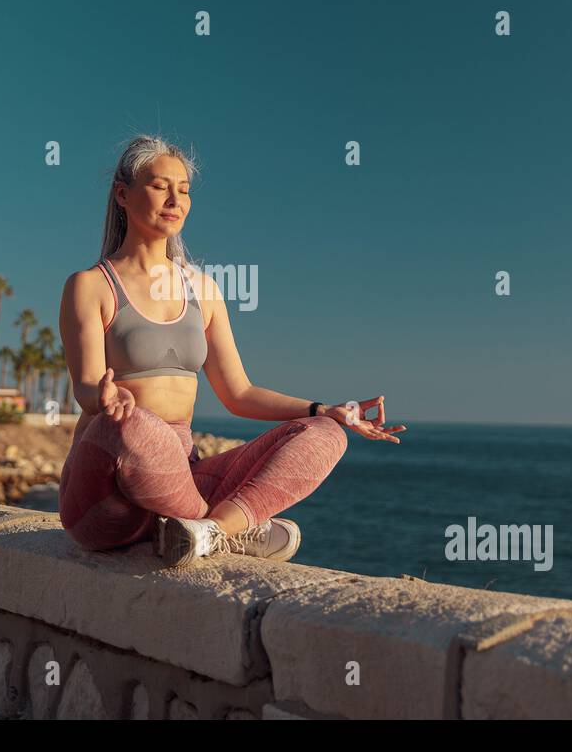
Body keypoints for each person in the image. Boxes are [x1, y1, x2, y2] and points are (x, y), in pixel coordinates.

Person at [58, 135, 406, 569]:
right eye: (159, 186)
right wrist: (106, 400)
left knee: (324, 435)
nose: (175, 199)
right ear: (122, 194)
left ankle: (210, 531)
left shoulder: (203, 290)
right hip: (107, 492)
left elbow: (239, 393)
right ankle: (237, 528)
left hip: (179, 480)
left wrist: (323, 409)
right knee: (136, 426)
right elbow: (87, 388)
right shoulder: (90, 286)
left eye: (183, 190)